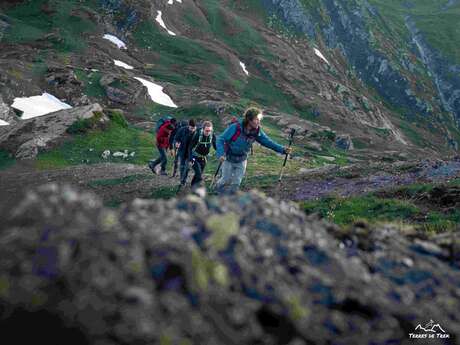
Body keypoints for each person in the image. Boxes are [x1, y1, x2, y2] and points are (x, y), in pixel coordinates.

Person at [215, 107, 292, 194]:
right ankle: (216, 192)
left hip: (242, 160)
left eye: (259, 119)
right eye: (256, 119)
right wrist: (220, 154)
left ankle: (231, 200)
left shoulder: (257, 131)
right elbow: (220, 139)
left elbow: (268, 142)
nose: (259, 122)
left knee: (236, 183)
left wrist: (282, 149)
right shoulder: (235, 128)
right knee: (225, 180)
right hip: (228, 158)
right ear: (249, 120)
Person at [184, 121, 216, 189]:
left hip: (203, 158)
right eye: (206, 131)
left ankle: (192, 187)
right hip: (195, 157)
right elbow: (190, 147)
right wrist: (190, 158)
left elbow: (215, 146)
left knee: (198, 174)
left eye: (209, 131)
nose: (208, 132)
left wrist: (222, 152)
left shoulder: (212, 135)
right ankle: (198, 188)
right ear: (203, 129)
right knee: (199, 174)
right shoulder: (197, 135)